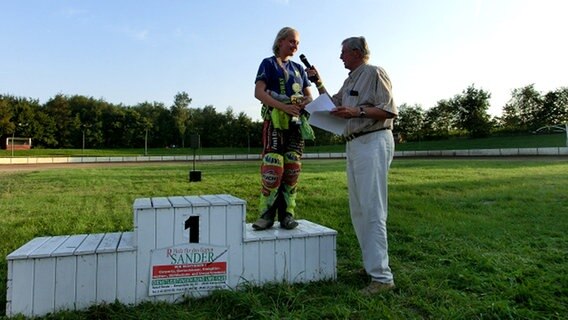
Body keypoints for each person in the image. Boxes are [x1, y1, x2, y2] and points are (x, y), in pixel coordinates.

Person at [308, 36, 398, 294]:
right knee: (359, 210)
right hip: (355, 143)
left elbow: (389, 109)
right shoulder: (351, 80)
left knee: (372, 208)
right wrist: (318, 83)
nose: (340, 57)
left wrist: (356, 112)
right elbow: (335, 105)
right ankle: (372, 267)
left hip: (373, 140)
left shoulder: (374, 73)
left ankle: (382, 278)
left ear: (356, 52)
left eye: (343, 52)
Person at [252, 27, 313, 231]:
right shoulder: (268, 63)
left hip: (296, 123)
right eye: (292, 41)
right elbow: (259, 93)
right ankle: (266, 214)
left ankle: (287, 214)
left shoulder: (299, 68)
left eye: (298, 43)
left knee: (292, 168)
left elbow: (309, 97)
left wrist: (304, 102)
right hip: (275, 121)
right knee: (273, 166)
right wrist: (283, 106)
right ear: (280, 41)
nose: (295, 46)